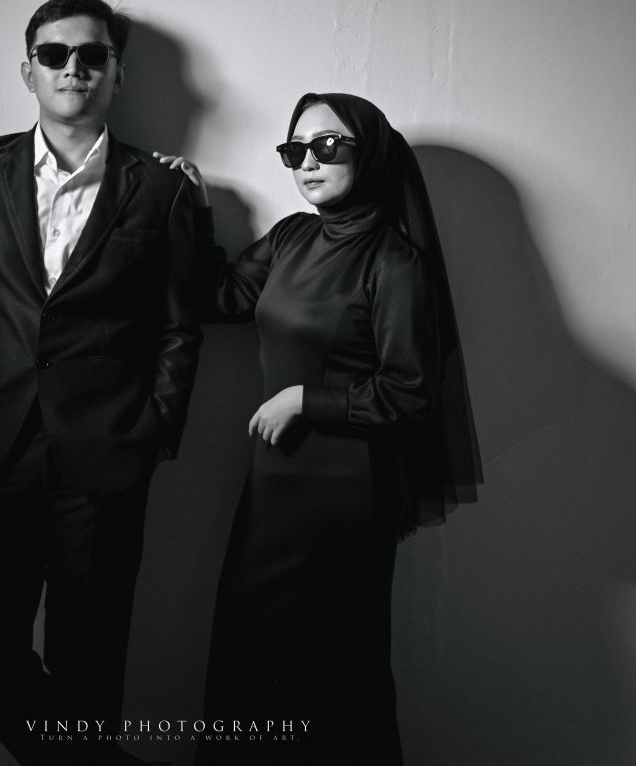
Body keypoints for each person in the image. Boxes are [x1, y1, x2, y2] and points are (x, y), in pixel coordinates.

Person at [0, 0, 202, 766]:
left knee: (89, 669)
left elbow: (179, 324)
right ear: (28, 70)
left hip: (105, 457)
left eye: (93, 54)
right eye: (55, 54)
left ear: (117, 73)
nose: (74, 67)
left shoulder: (164, 189)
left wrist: (155, 430)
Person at [159, 92, 482, 764]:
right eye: (295, 149)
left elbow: (410, 391)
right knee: (246, 654)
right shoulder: (291, 238)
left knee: (332, 671)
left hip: (346, 495)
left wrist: (308, 399)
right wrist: (196, 208)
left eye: (327, 146)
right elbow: (220, 296)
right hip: (274, 486)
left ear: (370, 155)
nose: (308, 162)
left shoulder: (394, 262)